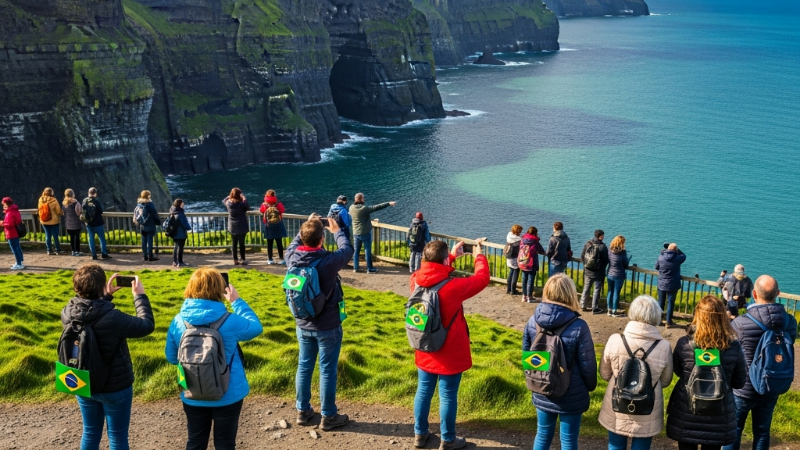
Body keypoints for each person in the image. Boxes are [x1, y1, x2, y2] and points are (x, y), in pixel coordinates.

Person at [165, 268, 263, 450]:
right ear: (219, 288)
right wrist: (237, 301)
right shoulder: (230, 321)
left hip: (191, 390)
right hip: (228, 393)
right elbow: (256, 327)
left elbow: (171, 357)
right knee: (225, 443)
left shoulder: (178, 321)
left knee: (195, 441)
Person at [62, 264, 155, 450]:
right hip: (114, 387)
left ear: (76, 287)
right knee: (117, 436)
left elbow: (90, 313)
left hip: (83, 381)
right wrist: (140, 296)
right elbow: (146, 325)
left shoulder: (67, 312)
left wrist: (105, 297)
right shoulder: (112, 318)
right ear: (101, 285)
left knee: (90, 431)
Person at [411, 238, 490, 449]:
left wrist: (451, 255)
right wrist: (478, 255)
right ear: (444, 260)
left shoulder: (416, 280)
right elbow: (482, 278)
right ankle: (448, 439)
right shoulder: (453, 287)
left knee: (423, 390)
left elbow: (432, 271)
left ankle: (420, 434)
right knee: (447, 395)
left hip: (424, 345)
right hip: (449, 349)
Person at [285, 215, 354, 431]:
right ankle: (329, 415)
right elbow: (348, 249)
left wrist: (306, 226)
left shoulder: (292, 257)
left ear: (303, 238)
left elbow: (295, 244)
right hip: (328, 324)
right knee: (327, 370)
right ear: (322, 239)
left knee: (304, 366)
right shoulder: (328, 262)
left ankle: (303, 410)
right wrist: (337, 230)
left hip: (302, 322)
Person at [523, 274, 597, 450]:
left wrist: (538, 379)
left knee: (542, 434)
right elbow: (588, 364)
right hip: (572, 391)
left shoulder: (533, 321)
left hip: (542, 387)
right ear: (570, 294)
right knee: (569, 440)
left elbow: (528, 357)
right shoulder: (579, 326)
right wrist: (590, 386)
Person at [725, 275, 797, 450]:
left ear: (754, 294)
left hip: (743, 387)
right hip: (772, 383)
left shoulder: (741, 323)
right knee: (763, 431)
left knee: (734, 430)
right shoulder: (789, 322)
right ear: (777, 294)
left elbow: (730, 352)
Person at [666, 296, 747, 450]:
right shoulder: (734, 347)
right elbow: (739, 382)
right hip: (718, 413)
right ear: (723, 317)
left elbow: (677, 371)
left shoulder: (685, 343)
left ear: (698, 315)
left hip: (687, 410)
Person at [599, 295, 674, 450]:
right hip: (647, 406)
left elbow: (605, 374)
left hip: (618, 402)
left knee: (615, 446)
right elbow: (666, 381)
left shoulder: (615, 340)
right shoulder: (664, 346)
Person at [348, 193, 395, 273]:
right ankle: (369, 268)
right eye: (363, 198)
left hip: (356, 233)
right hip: (365, 233)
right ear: (361, 199)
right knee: (367, 251)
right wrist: (388, 203)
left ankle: (356, 268)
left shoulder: (351, 208)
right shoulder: (364, 208)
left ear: (355, 199)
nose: (364, 199)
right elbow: (377, 207)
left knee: (356, 251)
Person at [655, 243, 686, 328]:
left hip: (662, 283)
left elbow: (656, 267)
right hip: (673, 284)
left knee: (660, 302)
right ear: (675, 250)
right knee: (670, 303)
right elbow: (684, 256)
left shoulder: (661, 257)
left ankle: (659, 320)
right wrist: (677, 250)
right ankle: (668, 322)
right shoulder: (677, 258)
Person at [580, 229, 609, 314]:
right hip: (599, 273)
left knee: (586, 288)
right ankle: (594, 307)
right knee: (596, 290)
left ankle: (583, 304)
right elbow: (606, 260)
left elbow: (582, 256)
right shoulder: (603, 247)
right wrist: (601, 268)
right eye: (603, 236)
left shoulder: (588, 244)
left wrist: (587, 265)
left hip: (588, 271)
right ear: (600, 236)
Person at [223, 188, 251, 265]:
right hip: (242, 225)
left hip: (232, 226)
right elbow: (248, 207)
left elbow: (224, 200)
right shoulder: (241, 204)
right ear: (240, 195)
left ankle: (235, 259)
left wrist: (230, 196)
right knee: (242, 244)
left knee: (234, 243)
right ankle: (243, 259)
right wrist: (244, 198)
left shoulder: (228, 203)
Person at [83, 187, 112, 261]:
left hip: (89, 224)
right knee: (102, 239)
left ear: (88, 193)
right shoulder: (97, 202)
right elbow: (101, 212)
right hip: (98, 223)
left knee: (91, 239)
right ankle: (104, 253)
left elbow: (83, 212)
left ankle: (94, 255)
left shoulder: (85, 201)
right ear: (95, 193)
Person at [259, 189, 287, 265]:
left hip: (268, 225)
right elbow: (282, 210)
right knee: (279, 242)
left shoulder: (264, 204)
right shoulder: (277, 203)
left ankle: (270, 259)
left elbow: (261, 211)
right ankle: (281, 259)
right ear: (274, 195)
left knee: (269, 243)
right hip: (278, 224)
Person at [519, 226, 546, 303]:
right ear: (535, 233)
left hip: (523, 261)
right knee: (530, 279)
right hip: (531, 262)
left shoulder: (522, 239)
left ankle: (524, 296)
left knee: (524, 279)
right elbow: (540, 250)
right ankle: (529, 297)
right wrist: (544, 253)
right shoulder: (534, 241)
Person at [606, 235, 631, 317]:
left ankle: (609, 309)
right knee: (616, 292)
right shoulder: (622, 252)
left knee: (610, 291)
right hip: (619, 275)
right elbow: (626, 264)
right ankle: (614, 310)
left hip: (610, 273)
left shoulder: (609, 250)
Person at [135, 190, 160, 262]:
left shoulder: (139, 204)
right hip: (150, 224)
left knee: (144, 241)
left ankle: (145, 256)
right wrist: (158, 221)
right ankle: (150, 256)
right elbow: (154, 213)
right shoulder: (149, 204)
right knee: (150, 241)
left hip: (142, 225)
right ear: (148, 196)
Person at [39, 187, 64, 255]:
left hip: (44, 221)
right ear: (51, 193)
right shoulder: (54, 200)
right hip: (54, 221)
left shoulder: (41, 200)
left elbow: (39, 209)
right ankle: (58, 250)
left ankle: (49, 250)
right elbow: (58, 211)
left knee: (48, 236)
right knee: (55, 236)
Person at [1, 197, 24, 269]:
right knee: (17, 247)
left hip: (11, 233)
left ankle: (19, 263)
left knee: (14, 248)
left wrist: (2, 223)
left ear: (7, 204)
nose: (3, 207)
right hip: (16, 232)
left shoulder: (9, 213)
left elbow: (9, 224)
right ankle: (20, 261)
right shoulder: (15, 211)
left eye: (4, 205)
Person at [169, 199, 192, 267]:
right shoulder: (180, 213)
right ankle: (180, 262)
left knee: (176, 247)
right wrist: (189, 228)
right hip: (180, 232)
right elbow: (184, 223)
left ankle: (175, 261)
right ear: (180, 204)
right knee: (180, 248)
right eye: (182, 203)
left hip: (174, 232)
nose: (183, 204)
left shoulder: (173, 212)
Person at [63, 189, 84, 256]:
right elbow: (80, 212)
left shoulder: (64, 204)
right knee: (77, 237)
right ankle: (77, 251)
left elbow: (63, 213)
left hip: (68, 224)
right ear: (73, 194)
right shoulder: (76, 203)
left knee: (72, 238)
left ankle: (73, 251)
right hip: (76, 224)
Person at [505, 225, 523, 295]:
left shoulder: (509, 236)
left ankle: (508, 289)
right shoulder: (518, 240)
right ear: (518, 231)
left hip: (509, 257)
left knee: (511, 272)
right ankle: (513, 290)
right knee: (515, 272)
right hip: (515, 258)